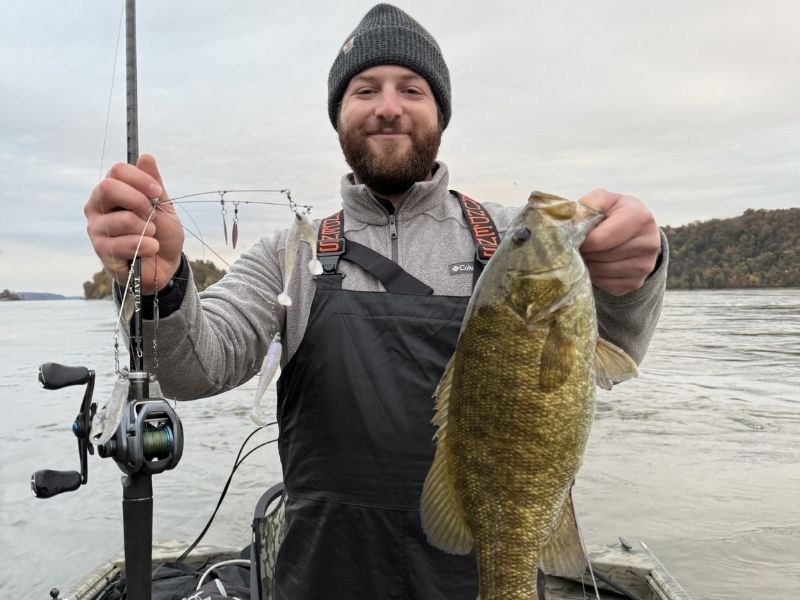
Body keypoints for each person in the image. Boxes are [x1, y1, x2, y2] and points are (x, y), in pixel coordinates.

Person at [84, 4, 667, 598]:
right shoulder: (291, 255)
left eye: (411, 89)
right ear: (339, 115)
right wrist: (158, 287)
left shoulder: (513, 237)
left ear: (441, 111)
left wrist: (637, 269)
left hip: (484, 571)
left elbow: (614, 345)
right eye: (366, 89)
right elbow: (195, 367)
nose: (389, 105)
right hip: (326, 577)